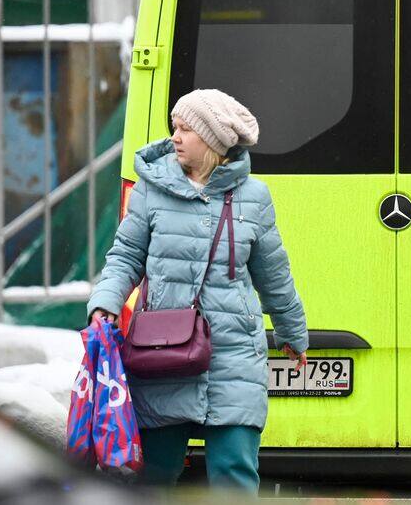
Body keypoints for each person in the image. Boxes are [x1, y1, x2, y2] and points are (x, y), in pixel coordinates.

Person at [87, 88, 308, 493]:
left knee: (233, 476)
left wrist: (293, 333)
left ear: (214, 141)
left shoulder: (253, 198)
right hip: (161, 354)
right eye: (175, 127)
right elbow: (125, 256)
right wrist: (105, 304)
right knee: (154, 475)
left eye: (187, 129)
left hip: (233, 354)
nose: (176, 136)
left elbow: (274, 275)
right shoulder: (151, 190)